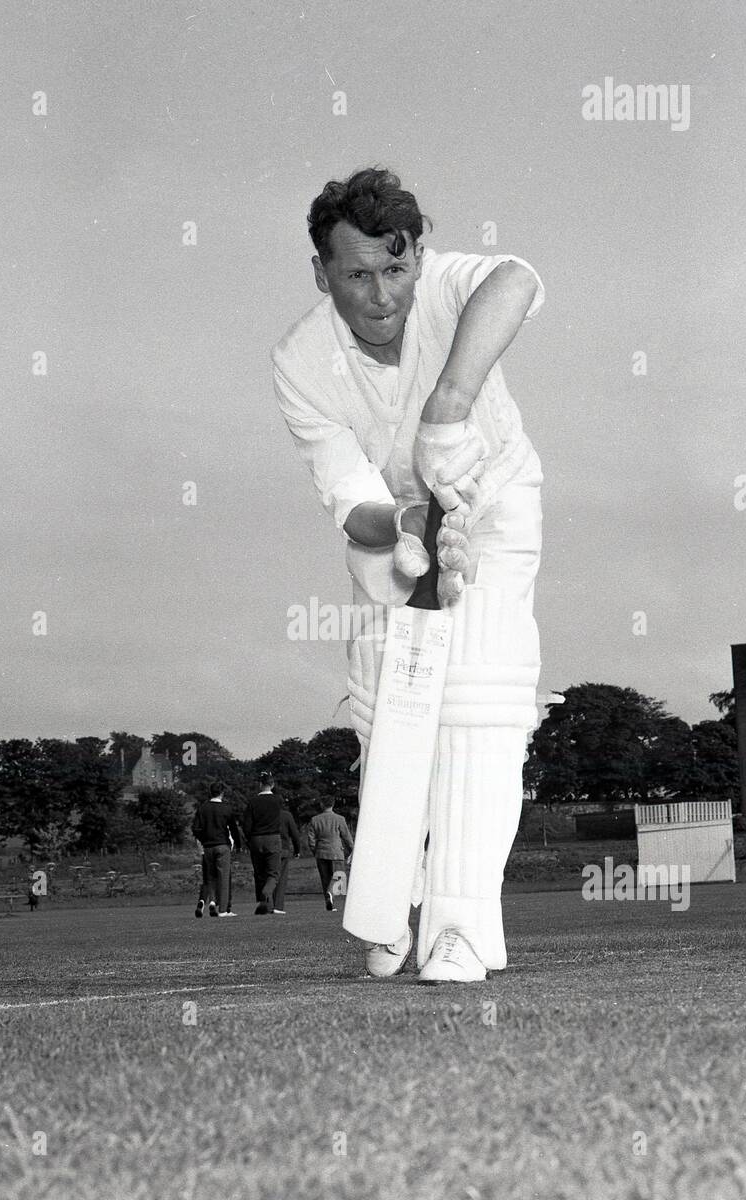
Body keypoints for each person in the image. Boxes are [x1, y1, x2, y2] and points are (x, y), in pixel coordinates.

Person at [271, 167, 544, 983]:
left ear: (418, 256)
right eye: (356, 275)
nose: (381, 294)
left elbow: (519, 279)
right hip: (395, 528)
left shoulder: (451, 283)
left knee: (479, 697)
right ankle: (393, 896)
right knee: (383, 701)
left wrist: (449, 406)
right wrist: (412, 522)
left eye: (396, 269)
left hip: (492, 506)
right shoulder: (300, 360)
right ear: (321, 273)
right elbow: (353, 506)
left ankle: (459, 925)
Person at [191, 782, 243, 917]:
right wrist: (238, 844)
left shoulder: (203, 808)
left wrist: (204, 838)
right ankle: (223, 909)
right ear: (222, 793)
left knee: (210, 877)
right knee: (224, 878)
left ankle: (212, 901)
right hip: (222, 845)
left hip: (208, 846)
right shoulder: (226, 808)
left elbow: (195, 828)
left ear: (210, 792)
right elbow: (233, 828)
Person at [242, 772, 283, 915]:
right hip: (273, 837)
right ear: (272, 785)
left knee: (259, 874)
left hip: (256, 839)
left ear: (260, 784)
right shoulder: (278, 800)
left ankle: (266, 905)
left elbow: (246, 825)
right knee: (273, 873)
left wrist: (249, 840)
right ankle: (266, 893)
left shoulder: (252, 802)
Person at [303, 795, 353, 912]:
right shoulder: (339, 819)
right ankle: (331, 894)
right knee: (340, 876)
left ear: (321, 805)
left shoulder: (315, 819)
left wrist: (315, 850)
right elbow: (347, 837)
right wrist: (352, 850)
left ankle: (329, 902)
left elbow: (311, 839)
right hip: (336, 852)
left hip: (321, 852)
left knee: (326, 878)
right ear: (333, 804)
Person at [273, 805, 303, 914]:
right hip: (282, 849)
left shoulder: (262, 813)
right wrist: (297, 850)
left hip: (266, 849)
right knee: (281, 879)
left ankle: (267, 904)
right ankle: (278, 906)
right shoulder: (286, 815)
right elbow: (295, 834)